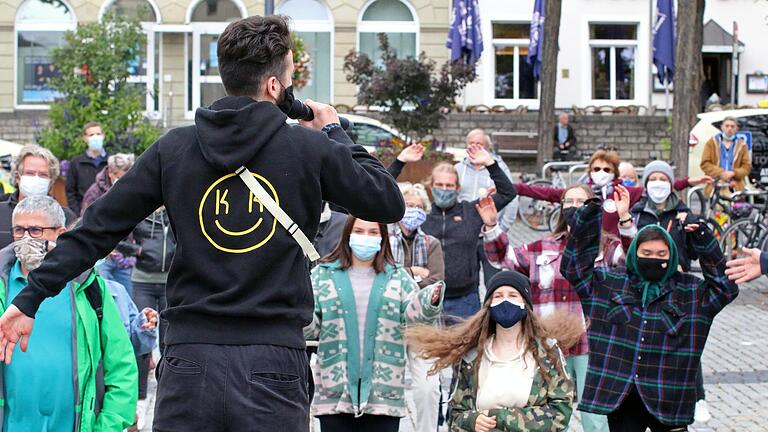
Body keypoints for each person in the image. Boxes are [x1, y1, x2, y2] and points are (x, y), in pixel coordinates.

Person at [0, 15, 405, 432]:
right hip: (273, 359)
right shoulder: (309, 149)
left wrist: (30, 298)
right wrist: (334, 130)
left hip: (190, 360)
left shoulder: (174, 148)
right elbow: (386, 200)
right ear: (274, 86)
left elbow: (95, 230)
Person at [561, 197, 739, 431]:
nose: (654, 258)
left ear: (671, 256)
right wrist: (589, 217)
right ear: (635, 254)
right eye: (646, 252)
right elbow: (573, 269)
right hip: (620, 397)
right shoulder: (609, 283)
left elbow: (725, 287)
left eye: (661, 254)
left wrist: (703, 239)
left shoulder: (691, 292)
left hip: (669, 398)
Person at [477, 184, 621, 432]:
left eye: (581, 202)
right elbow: (504, 259)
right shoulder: (542, 247)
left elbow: (633, 260)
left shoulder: (607, 248)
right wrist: (492, 226)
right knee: (550, 413)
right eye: (569, 201)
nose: (574, 206)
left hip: (592, 344)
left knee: (595, 417)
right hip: (549, 344)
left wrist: (624, 218)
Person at [1, 195, 137, 431]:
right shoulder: (3, 285)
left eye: (35, 230)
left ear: (61, 233)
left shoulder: (88, 286)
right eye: (18, 230)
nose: (25, 238)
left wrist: (106, 426)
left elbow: (121, 365)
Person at [305, 216, 444, 432]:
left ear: (383, 238)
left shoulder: (399, 278)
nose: (365, 237)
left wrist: (428, 302)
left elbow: (414, 322)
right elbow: (311, 329)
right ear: (347, 235)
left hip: (383, 396)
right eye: (359, 231)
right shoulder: (323, 276)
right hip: (335, 394)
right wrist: (297, 309)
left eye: (372, 232)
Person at [407, 271, 577, 432]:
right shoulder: (473, 356)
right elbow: (455, 415)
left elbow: (560, 413)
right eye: (498, 296)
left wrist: (500, 418)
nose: (505, 301)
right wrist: (472, 421)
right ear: (488, 305)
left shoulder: (546, 351)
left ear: (525, 303)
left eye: (512, 296)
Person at [389, 143, 516, 321]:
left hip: (464, 300)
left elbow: (508, 193)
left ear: (457, 188)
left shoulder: (472, 211)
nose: (444, 189)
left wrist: (490, 163)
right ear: (431, 187)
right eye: (439, 185)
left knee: (465, 348)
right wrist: (400, 161)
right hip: (425, 297)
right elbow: (383, 192)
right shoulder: (420, 214)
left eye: (449, 185)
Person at [514, 150, 712, 236]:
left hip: (614, 253)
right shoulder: (580, 193)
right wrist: (515, 187)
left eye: (606, 170)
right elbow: (543, 192)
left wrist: (686, 182)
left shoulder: (622, 192)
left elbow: (655, 187)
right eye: (597, 169)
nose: (601, 173)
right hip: (584, 247)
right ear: (590, 171)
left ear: (614, 173)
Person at [389, 182, 444, 432]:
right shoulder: (383, 238)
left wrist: (400, 278)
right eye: (409, 205)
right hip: (388, 320)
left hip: (424, 323)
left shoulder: (431, 243)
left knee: (428, 387)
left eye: (419, 206)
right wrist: (412, 273)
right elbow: (382, 274)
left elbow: (436, 282)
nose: (413, 211)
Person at [131, 207, 175, 427]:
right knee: (143, 335)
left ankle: (167, 391)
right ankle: (140, 396)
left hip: (170, 281)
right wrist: (136, 250)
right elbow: (116, 234)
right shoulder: (141, 212)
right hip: (143, 281)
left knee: (169, 338)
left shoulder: (175, 210)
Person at [618, 161, 700, 272]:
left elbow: (694, 253)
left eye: (663, 179)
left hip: (676, 281)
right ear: (646, 185)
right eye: (653, 179)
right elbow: (628, 249)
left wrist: (694, 231)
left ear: (671, 185)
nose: (658, 183)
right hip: (642, 278)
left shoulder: (683, 213)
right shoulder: (636, 214)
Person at [82, 153, 138, 297]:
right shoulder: (94, 193)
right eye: (120, 175)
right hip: (103, 256)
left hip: (125, 256)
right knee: (106, 297)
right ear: (110, 173)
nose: (124, 179)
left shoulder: (130, 190)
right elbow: (86, 223)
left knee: (127, 299)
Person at [0, 145, 77, 248]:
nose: (36, 179)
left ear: (51, 181)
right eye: (30, 173)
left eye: (43, 175)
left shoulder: (66, 217)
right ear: (18, 177)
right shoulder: (1, 212)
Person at [700, 116, 752, 195]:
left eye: (732, 126)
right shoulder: (711, 143)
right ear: (722, 127)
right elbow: (705, 164)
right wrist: (721, 173)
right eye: (727, 126)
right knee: (717, 206)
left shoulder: (742, 145)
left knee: (735, 206)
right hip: (715, 185)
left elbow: (746, 167)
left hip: (735, 185)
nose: (729, 128)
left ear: (736, 129)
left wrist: (733, 173)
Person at [66, 122, 109, 215]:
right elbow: (70, 191)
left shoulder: (111, 162)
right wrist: (77, 214)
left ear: (103, 136)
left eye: (98, 134)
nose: (95, 137)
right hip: (83, 215)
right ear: (85, 138)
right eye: (91, 135)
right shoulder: (76, 163)